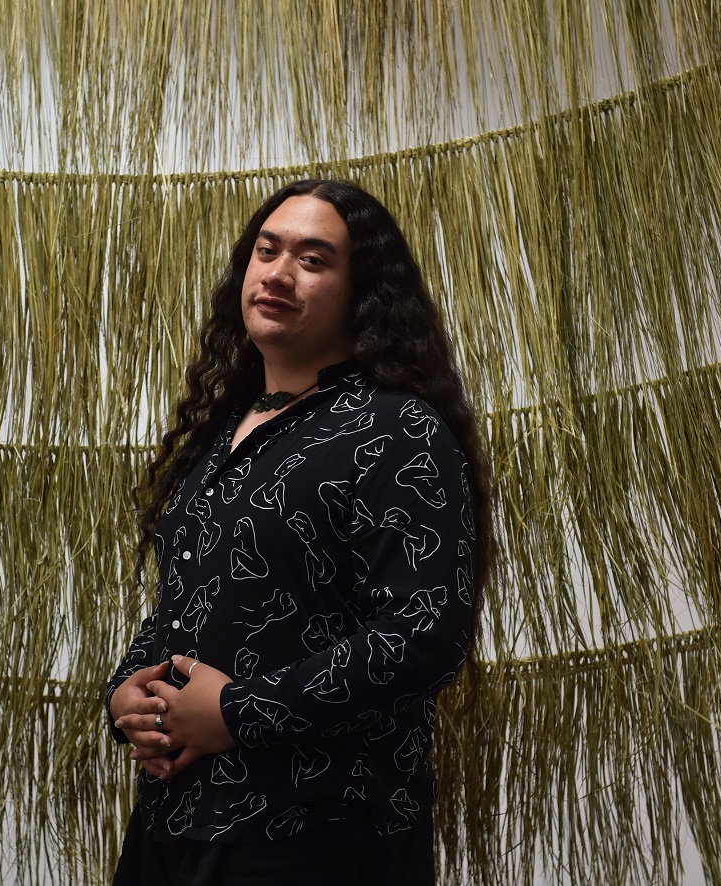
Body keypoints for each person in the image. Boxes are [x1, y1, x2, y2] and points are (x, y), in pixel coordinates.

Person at [105, 178, 491, 885]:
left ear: (362, 292)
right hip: (172, 823)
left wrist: (233, 712)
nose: (278, 273)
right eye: (266, 250)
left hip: (316, 836)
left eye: (313, 260)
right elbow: (185, 603)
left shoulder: (395, 430)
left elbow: (422, 634)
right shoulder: (220, 436)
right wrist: (126, 691)